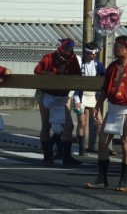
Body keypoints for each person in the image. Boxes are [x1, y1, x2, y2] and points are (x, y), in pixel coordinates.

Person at [84, 35, 127, 192]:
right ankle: (102, 178)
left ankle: (123, 180)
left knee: (126, 143)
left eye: (118, 47)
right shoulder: (112, 66)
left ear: (126, 49)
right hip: (112, 108)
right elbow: (105, 89)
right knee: (103, 142)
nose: (115, 50)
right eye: (115, 47)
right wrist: (98, 106)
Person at [34, 38, 82, 166]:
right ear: (60, 49)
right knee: (46, 125)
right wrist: (49, 74)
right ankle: (47, 156)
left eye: (68, 51)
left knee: (68, 125)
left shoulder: (73, 60)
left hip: (62, 96)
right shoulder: (49, 57)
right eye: (63, 52)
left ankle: (66, 156)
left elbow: (78, 75)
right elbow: (37, 71)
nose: (64, 55)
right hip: (47, 94)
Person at [73, 42, 106, 156]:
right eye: (91, 54)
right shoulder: (80, 64)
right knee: (82, 122)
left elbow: (105, 76)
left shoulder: (98, 65)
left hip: (93, 96)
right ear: (86, 53)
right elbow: (76, 84)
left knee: (99, 121)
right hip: (81, 96)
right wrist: (77, 100)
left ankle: (103, 145)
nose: (93, 56)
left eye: (94, 54)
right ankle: (82, 147)